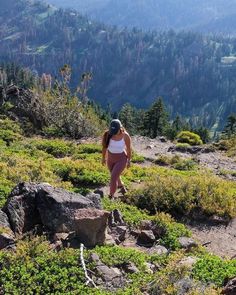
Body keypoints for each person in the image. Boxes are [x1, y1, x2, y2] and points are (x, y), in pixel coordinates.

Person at [102, 119, 132, 199]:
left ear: (120, 128)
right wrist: (103, 158)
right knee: (116, 175)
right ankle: (122, 188)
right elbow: (104, 147)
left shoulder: (125, 136)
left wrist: (129, 160)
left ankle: (111, 196)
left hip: (121, 159)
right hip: (110, 159)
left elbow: (129, 149)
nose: (114, 134)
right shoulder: (107, 134)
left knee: (113, 176)